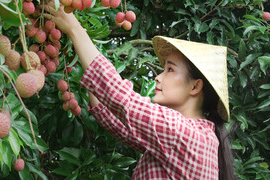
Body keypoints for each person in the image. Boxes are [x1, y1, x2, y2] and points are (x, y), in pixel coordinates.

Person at [43, 3, 235, 180]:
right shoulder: (183, 140)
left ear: (195, 86)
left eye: (170, 69)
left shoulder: (187, 135)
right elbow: (117, 121)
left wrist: (76, 30)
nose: (158, 77)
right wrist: (79, 43)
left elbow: (123, 100)